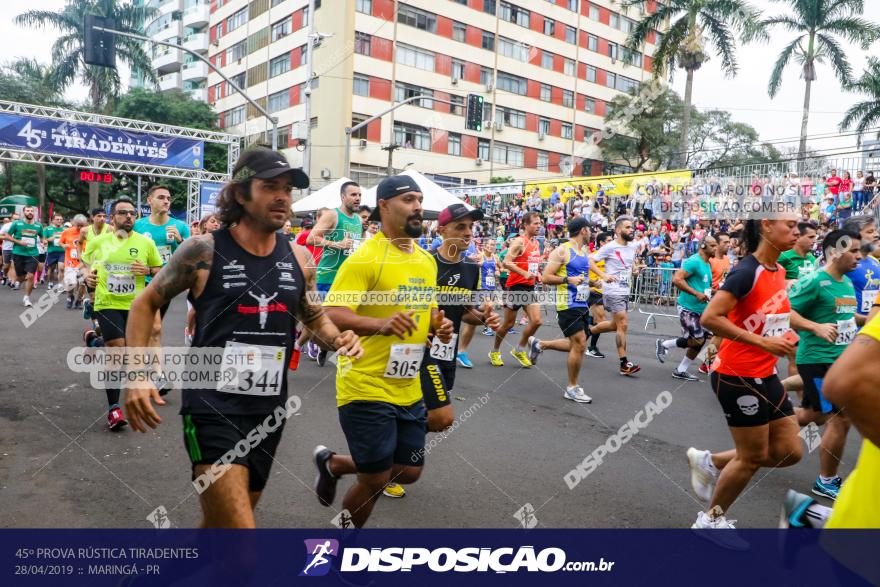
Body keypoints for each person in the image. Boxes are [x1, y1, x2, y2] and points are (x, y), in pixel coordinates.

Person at [123, 146, 361, 528]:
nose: (283, 196)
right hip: (212, 408)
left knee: (223, 528)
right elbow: (144, 304)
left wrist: (338, 338)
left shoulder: (299, 258)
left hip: (268, 411)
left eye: (287, 188)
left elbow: (312, 312)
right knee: (241, 541)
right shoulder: (203, 251)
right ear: (239, 193)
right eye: (270, 186)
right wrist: (137, 375)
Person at [313, 175, 453, 528]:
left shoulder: (426, 259)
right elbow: (332, 312)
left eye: (419, 199)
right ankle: (341, 543)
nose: (418, 206)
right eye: (408, 199)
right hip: (365, 383)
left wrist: (438, 325)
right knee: (375, 479)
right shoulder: (366, 257)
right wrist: (380, 324)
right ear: (385, 206)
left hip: (406, 385)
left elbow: (426, 311)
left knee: (408, 471)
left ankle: (336, 464)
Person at [688, 216, 803, 541]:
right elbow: (711, 317)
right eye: (791, 225)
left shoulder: (777, 270)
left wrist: (804, 330)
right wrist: (764, 342)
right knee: (751, 456)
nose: (797, 231)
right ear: (767, 226)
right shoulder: (745, 271)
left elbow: (778, 311)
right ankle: (710, 522)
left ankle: (710, 461)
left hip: (765, 373)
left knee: (789, 450)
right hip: (736, 374)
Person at [384, 204, 500, 499]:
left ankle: (385, 456)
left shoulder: (471, 268)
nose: (467, 233)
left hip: (446, 352)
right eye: (460, 227)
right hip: (418, 349)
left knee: (425, 414)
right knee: (442, 416)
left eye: (471, 228)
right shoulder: (425, 263)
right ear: (441, 230)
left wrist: (485, 318)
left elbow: (467, 313)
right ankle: (386, 462)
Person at [789, 229, 863, 501]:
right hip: (817, 359)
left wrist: (865, 320)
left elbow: (843, 313)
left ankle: (769, 418)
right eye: (853, 251)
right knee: (840, 418)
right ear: (834, 252)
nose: (859, 256)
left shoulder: (844, 282)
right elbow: (786, 311)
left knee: (813, 416)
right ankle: (826, 481)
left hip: (838, 361)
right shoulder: (814, 280)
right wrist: (815, 327)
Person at [82, 198, 163, 430]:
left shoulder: (145, 243)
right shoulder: (98, 242)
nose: (128, 216)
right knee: (117, 352)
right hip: (108, 302)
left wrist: (147, 270)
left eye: (132, 213)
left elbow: (159, 269)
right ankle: (114, 410)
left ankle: (95, 341)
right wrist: (86, 276)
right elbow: (84, 264)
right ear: (112, 217)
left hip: (136, 306)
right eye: (122, 213)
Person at [527, 217, 606, 403]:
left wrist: (593, 282)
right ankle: (572, 387)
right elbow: (546, 277)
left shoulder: (583, 251)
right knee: (579, 343)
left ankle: (540, 344)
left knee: (577, 344)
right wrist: (567, 280)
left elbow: (580, 277)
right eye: (590, 229)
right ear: (583, 230)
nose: (592, 233)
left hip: (581, 303)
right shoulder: (562, 250)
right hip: (567, 304)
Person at [308, 182, 363, 366]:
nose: (357, 198)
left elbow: (354, 248)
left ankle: (336, 352)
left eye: (359, 195)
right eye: (353, 194)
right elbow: (311, 238)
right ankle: (314, 344)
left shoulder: (358, 221)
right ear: (343, 197)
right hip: (328, 276)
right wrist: (337, 245)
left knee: (345, 319)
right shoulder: (332, 215)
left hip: (348, 278)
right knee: (322, 320)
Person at [655, 236, 718, 381]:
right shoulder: (694, 261)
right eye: (713, 245)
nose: (716, 248)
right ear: (703, 246)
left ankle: (682, 369)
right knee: (697, 340)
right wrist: (696, 293)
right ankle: (664, 344)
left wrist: (716, 291)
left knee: (714, 335)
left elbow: (704, 288)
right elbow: (676, 279)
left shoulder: (707, 263)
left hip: (702, 309)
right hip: (688, 309)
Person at [489, 212, 544, 368]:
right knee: (508, 324)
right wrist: (524, 273)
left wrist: (536, 273)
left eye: (540, 223)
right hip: (516, 287)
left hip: (530, 287)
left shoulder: (536, 243)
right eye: (535, 223)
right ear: (525, 225)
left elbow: (531, 263)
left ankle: (519, 349)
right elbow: (507, 262)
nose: (539, 226)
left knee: (537, 321)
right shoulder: (520, 241)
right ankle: (495, 351)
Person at [588, 216, 641, 376]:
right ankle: (624, 364)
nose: (631, 230)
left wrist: (634, 269)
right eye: (627, 227)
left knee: (614, 325)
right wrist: (602, 275)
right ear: (618, 230)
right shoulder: (609, 247)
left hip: (625, 290)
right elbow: (590, 260)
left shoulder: (632, 246)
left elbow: (630, 262)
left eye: (632, 227)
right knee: (623, 324)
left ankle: (588, 331)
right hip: (612, 291)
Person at [457, 237, 500, 368]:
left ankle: (462, 351)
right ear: (485, 246)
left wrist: (498, 271)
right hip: (480, 289)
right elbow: (468, 264)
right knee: (487, 307)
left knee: (472, 323)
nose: (492, 247)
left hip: (491, 288)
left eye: (494, 245)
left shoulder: (495, 257)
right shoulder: (478, 256)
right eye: (490, 245)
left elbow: (500, 268)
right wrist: (477, 264)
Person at [841, 215, 880, 321]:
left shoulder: (874, 262)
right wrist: (868, 320)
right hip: (852, 332)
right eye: (870, 232)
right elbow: (839, 306)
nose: (876, 235)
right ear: (854, 236)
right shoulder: (843, 263)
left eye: (875, 231)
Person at [7, 206, 44, 307]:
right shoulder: (16, 223)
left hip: (33, 254)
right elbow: (7, 235)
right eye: (28, 211)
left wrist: (43, 241)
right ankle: (18, 280)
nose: (30, 212)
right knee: (21, 276)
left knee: (31, 276)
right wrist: (18, 241)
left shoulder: (38, 225)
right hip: (18, 253)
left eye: (32, 211)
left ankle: (27, 298)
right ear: (24, 212)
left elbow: (42, 236)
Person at [585, 231, 613, 358]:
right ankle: (591, 347)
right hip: (594, 291)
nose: (611, 243)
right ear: (601, 243)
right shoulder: (593, 256)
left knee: (597, 321)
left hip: (604, 292)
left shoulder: (611, 258)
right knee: (601, 321)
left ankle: (588, 343)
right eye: (608, 240)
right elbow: (583, 272)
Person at [60, 215, 88, 310]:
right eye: (78, 225)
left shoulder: (89, 232)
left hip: (84, 263)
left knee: (83, 283)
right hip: (70, 263)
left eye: (82, 225)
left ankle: (79, 300)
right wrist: (64, 245)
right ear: (74, 223)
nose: (80, 228)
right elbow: (61, 242)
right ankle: (70, 296)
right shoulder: (67, 232)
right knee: (71, 283)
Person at [43, 213, 66, 290]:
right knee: (51, 269)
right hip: (52, 252)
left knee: (61, 268)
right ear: (53, 220)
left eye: (61, 219)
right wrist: (50, 239)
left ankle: (60, 285)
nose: (59, 221)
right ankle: (50, 282)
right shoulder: (47, 229)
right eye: (57, 219)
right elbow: (44, 240)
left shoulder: (65, 229)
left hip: (62, 252)